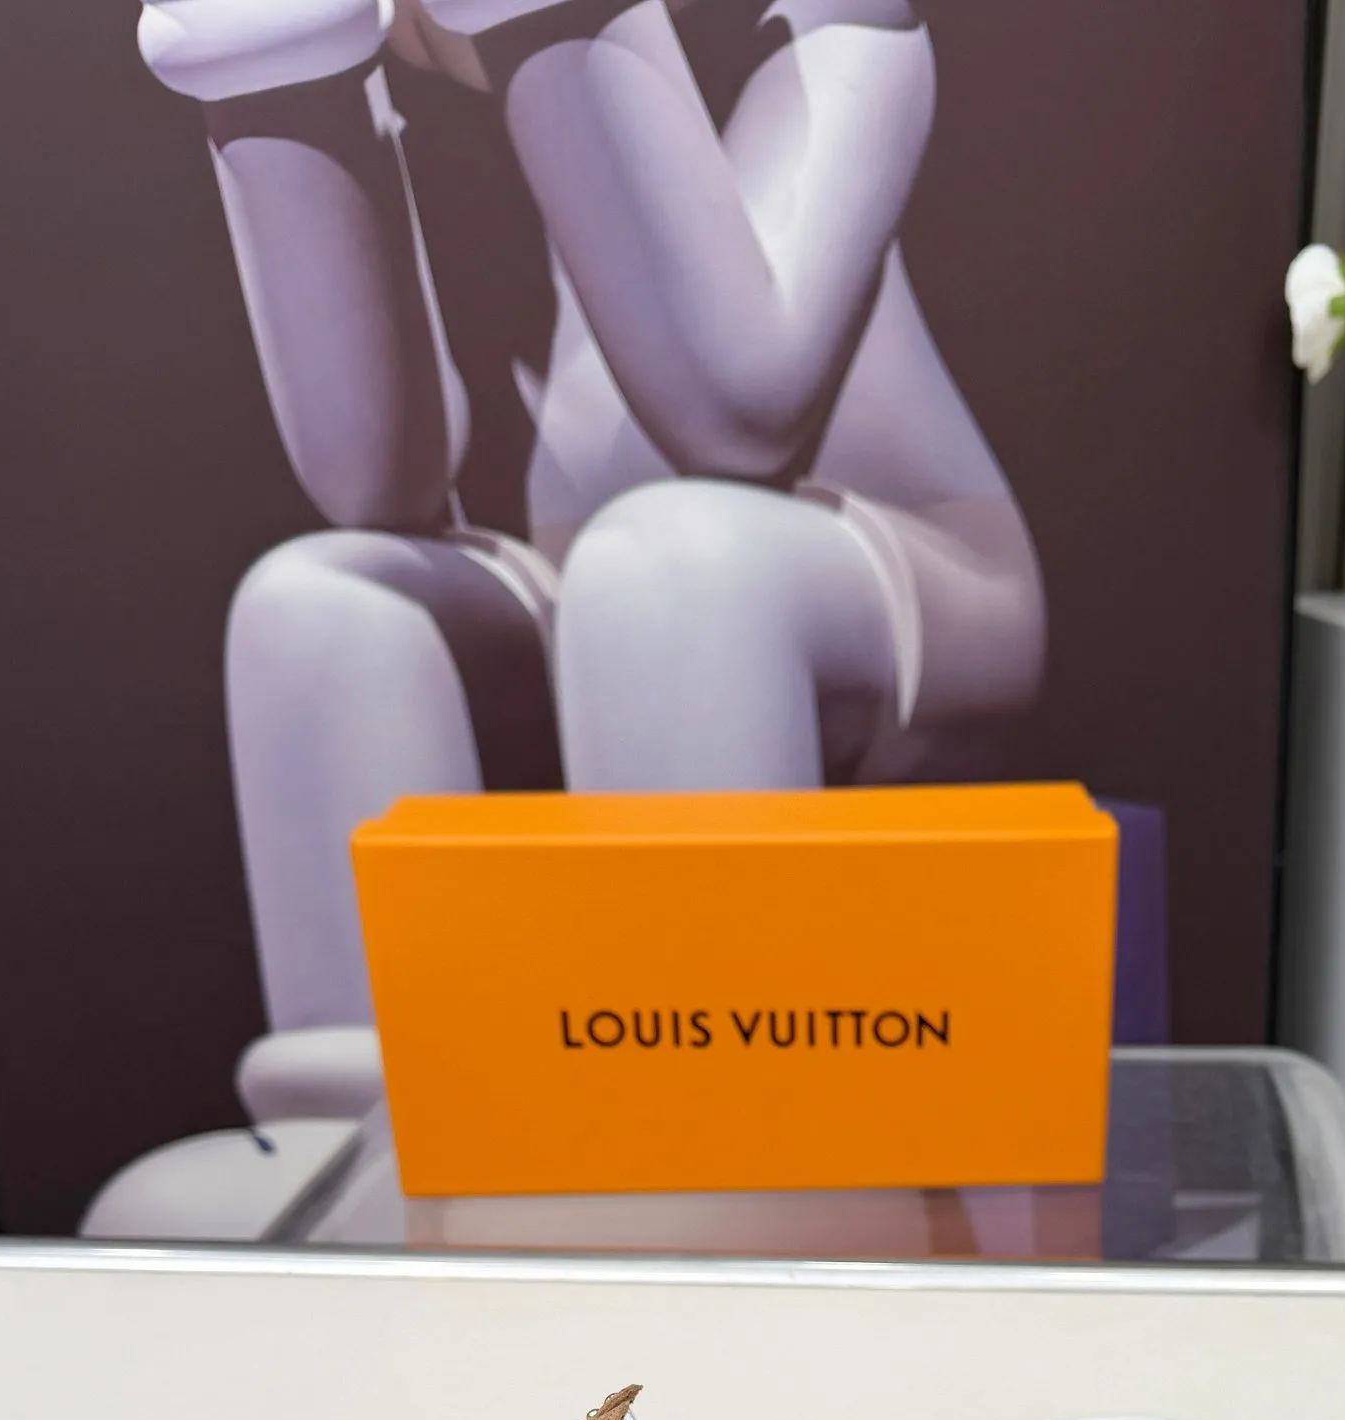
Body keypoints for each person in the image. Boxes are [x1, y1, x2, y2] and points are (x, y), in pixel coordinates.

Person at [137, 0, 1047, 1036]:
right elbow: (378, 482)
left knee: (672, 571)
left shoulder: (825, 34)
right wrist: (274, 61)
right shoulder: (435, 73)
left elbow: (741, 417)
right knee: (320, 609)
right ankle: (366, 1102)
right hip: (601, 595)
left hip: (901, 578)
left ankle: (698, 1093)